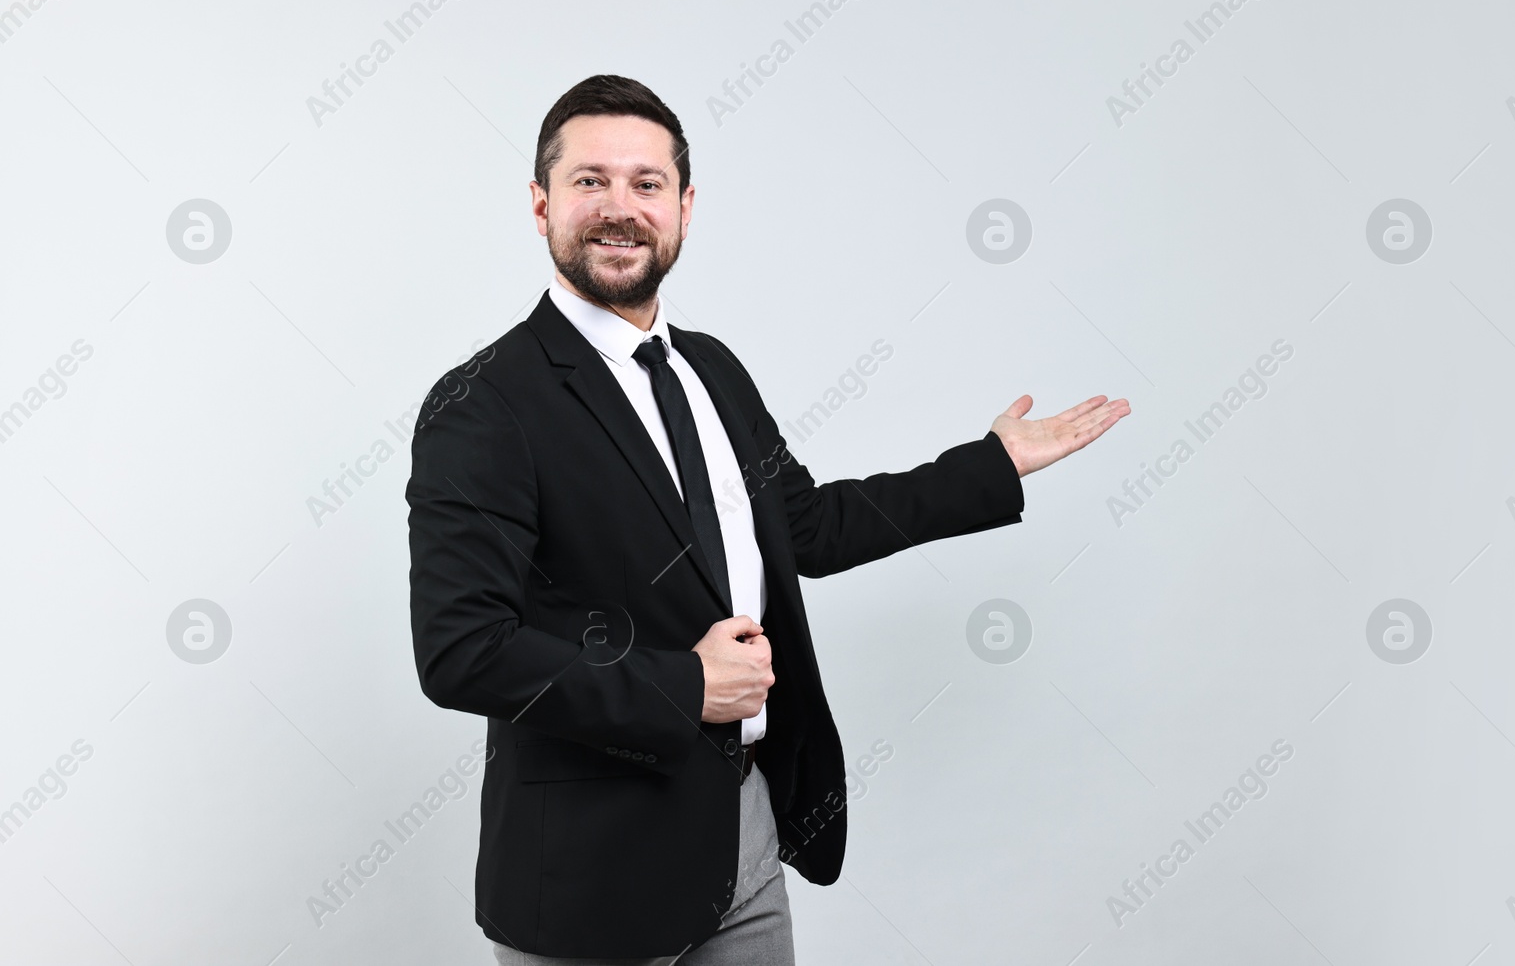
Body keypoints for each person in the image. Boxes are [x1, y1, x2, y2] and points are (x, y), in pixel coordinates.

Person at [406, 74, 1130, 964]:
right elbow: (461, 648)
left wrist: (989, 467)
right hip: (591, 872)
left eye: (647, 183)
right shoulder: (481, 404)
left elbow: (808, 526)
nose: (619, 208)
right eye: (590, 181)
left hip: (741, 836)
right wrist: (685, 687)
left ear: (685, 206)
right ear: (540, 201)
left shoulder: (711, 370)